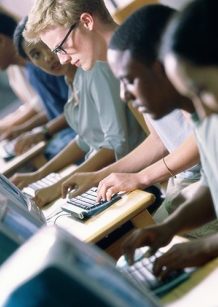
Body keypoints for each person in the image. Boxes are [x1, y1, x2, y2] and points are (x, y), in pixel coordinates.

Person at [23, 1, 206, 232]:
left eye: (61, 47)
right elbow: (160, 139)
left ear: (87, 21)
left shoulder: (144, 50)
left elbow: (203, 136)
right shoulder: (120, 61)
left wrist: (141, 178)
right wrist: (99, 175)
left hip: (204, 180)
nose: (62, 60)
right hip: (185, 180)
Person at [119, 0, 218, 280]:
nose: (201, 110)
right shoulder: (206, 115)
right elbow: (213, 188)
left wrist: (208, 246)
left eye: (201, 89)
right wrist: (169, 228)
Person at [11, 22, 145, 208]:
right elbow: (84, 140)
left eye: (48, 46)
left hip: (131, 177)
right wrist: (38, 175)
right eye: (36, 55)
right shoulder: (72, 80)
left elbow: (115, 143)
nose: (48, 57)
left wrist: (58, 187)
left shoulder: (95, 70)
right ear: (31, 64)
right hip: (106, 178)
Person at [0, 12, 76, 161]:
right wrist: (21, 130)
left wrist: (43, 131)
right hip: (68, 136)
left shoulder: (46, 67)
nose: (46, 57)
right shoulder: (32, 70)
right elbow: (57, 109)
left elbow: (78, 108)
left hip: (76, 135)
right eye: (35, 54)